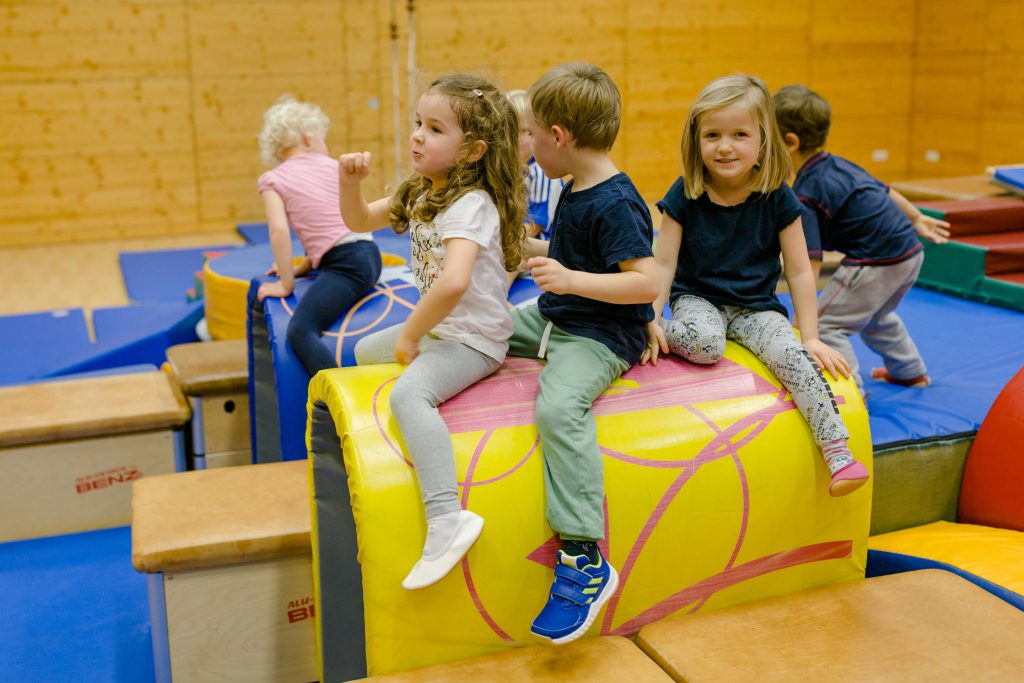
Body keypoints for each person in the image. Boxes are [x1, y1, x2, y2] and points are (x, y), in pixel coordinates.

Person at [337, 74, 527, 590]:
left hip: (474, 340)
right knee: (360, 353)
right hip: (443, 330)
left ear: (472, 150)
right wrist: (349, 185)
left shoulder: (472, 205)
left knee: (409, 395)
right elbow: (358, 220)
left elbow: (454, 282)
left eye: (435, 128)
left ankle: (447, 517)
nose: (418, 135)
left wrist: (410, 335)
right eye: (418, 123)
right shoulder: (425, 191)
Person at [644, 74, 868, 499]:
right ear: (696, 140)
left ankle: (836, 450)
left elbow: (800, 271)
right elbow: (664, 262)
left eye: (739, 135)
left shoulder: (778, 197)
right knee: (705, 345)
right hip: (699, 300)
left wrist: (812, 335)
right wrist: (650, 320)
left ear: (763, 140)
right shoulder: (685, 193)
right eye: (712, 135)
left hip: (757, 308)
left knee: (794, 356)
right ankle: (665, 330)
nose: (724, 146)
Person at [510, 63, 659, 645]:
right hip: (556, 318)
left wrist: (568, 278)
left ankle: (583, 557)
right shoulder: (577, 188)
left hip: (598, 336)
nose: (530, 148)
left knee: (557, 407)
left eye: (531, 136)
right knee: (475, 331)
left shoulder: (617, 200)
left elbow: (645, 282)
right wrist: (530, 248)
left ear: (558, 135)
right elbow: (580, 253)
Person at [773, 84, 951, 390]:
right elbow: (885, 189)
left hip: (876, 261)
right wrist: (916, 217)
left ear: (789, 142)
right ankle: (909, 371)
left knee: (826, 324)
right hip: (909, 250)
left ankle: (849, 393)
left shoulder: (806, 194)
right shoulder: (839, 163)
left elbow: (809, 264)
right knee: (876, 315)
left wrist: (801, 322)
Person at [256, 95, 382, 377]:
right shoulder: (333, 166)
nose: (326, 146)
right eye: (324, 139)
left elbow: (279, 231)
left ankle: (338, 398)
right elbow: (332, 231)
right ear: (307, 138)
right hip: (368, 255)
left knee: (300, 331)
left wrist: (285, 284)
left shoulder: (273, 179)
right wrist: (299, 269)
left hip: (346, 266)